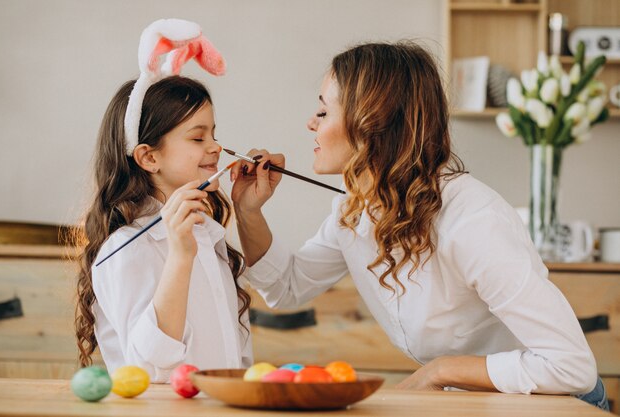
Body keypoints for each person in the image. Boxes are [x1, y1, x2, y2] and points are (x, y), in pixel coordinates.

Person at [229, 41, 608, 410]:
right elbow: (287, 287)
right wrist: (248, 211)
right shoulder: (354, 209)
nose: (310, 123)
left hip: (557, 402)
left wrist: (441, 370)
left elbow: (571, 368)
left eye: (324, 112)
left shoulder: (473, 220)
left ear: (370, 124)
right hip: (478, 403)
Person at [74, 19, 252, 383]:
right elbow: (148, 369)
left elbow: (236, 358)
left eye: (214, 134)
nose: (216, 147)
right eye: (197, 138)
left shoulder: (209, 236)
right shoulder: (125, 249)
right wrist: (180, 257)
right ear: (149, 157)